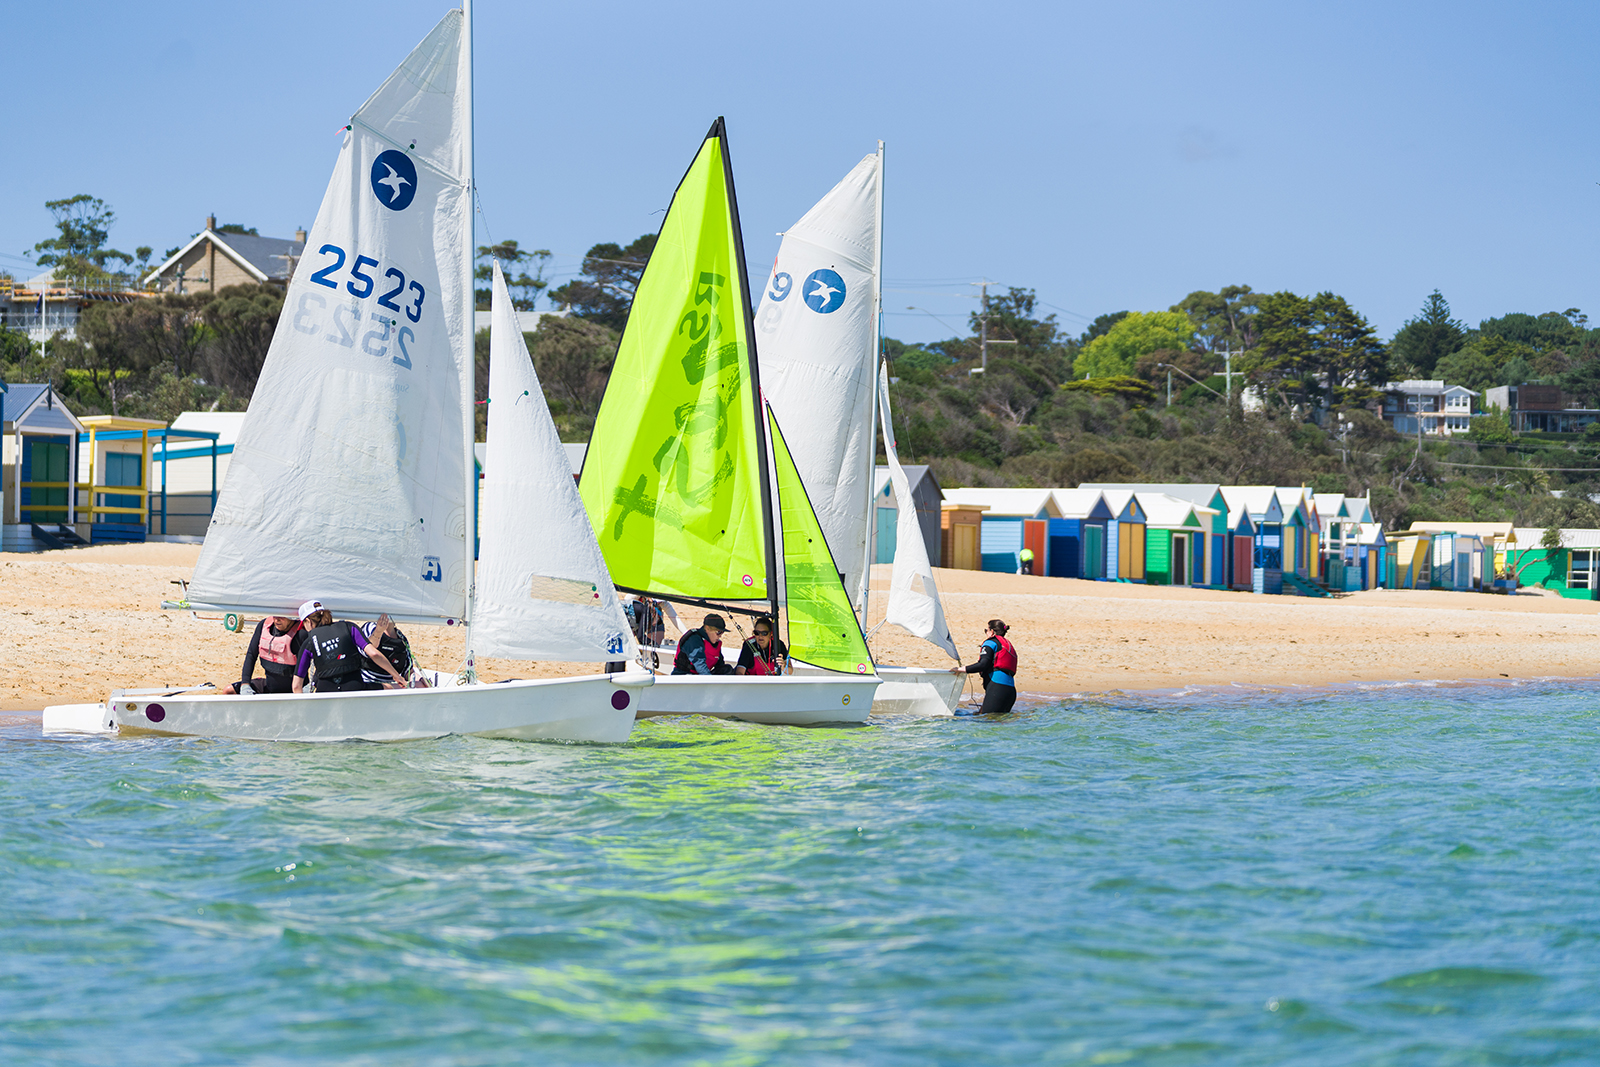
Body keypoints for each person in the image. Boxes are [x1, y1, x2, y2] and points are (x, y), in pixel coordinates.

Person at [292, 600, 406, 693]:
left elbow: (296, 686)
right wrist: (397, 676)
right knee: (388, 688)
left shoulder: (309, 642)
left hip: (325, 692)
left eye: (304, 626)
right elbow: (374, 654)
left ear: (308, 621)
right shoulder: (348, 627)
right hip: (354, 687)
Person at [950, 618, 1018, 714]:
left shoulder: (990, 642)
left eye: (986, 630)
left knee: (986, 721)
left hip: (997, 688)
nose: (986, 633)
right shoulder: (1008, 645)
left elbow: (983, 664)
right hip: (1010, 691)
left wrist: (961, 669)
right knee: (999, 723)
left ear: (992, 632)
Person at [223, 614, 303, 695]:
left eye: (282, 616)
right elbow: (251, 655)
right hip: (269, 686)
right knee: (228, 691)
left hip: (293, 690)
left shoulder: (301, 633)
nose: (277, 620)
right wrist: (245, 684)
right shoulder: (264, 625)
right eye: (275, 616)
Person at [358, 613, 425, 689]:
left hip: (392, 684)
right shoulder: (370, 627)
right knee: (388, 688)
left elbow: (407, 671)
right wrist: (378, 632)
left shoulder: (401, 638)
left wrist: (420, 679)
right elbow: (369, 651)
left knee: (421, 685)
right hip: (369, 682)